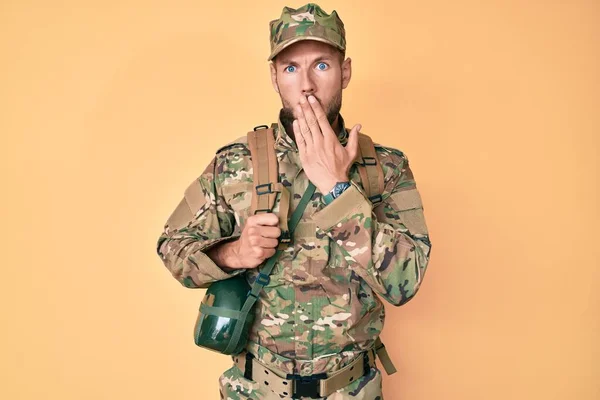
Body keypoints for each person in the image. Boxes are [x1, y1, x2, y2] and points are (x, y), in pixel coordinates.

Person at [156, 3, 432, 399]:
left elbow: (406, 281)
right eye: (290, 68)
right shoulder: (236, 163)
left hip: (351, 390)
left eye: (322, 65)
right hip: (255, 390)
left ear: (345, 72)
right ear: (274, 77)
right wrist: (233, 253)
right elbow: (172, 249)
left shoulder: (385, 168)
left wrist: (338, 189)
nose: (306, 84)